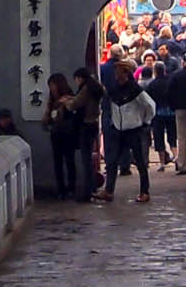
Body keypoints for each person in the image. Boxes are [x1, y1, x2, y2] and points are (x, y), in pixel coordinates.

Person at [99, 59, 155, 203]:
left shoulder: (135, 89)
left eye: (118, 71)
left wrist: (145, 122)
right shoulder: (113, 88)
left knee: (140, 162)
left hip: (134, 130)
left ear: (126, 73)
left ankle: (144, 192)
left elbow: (150, 105)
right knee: (111, 162)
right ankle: (109, 191)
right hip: (118, 129)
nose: (116, 74)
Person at [43, 73, 84, 197]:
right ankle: (61, 189)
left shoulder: (70, 98)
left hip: (68, 134)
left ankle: (71, 188)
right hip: (56, 134)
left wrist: (63, 108)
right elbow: (49, 119)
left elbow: (74, 115)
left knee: (69, 161)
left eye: (53, 86)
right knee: (58, 162)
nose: (52, 89)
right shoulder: (52, 101)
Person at [69, 66, 104, 202]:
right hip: (93, 124)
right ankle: (91, 188)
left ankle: (87, 191)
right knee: (88, 158)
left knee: (86, 160)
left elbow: (74, 105)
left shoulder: (86, 89)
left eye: (76, 79)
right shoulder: (96, 87)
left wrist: (67, 102)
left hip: (86, 125)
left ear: (80, 78)